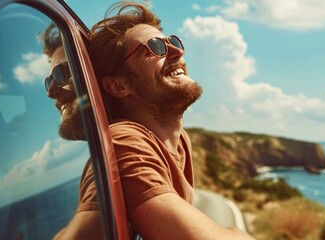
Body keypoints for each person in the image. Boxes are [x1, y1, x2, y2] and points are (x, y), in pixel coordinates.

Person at [87, 2, 254, 239]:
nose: (178, 52)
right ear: (119, 85)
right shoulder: (124, 142)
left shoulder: (178, 140)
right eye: (155, 47)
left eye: (172, 42)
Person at [42, 23, 104, 239]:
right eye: (48, 81)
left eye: (60, 74)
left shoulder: (115, 152)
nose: (50, 92)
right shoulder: (103, 153)